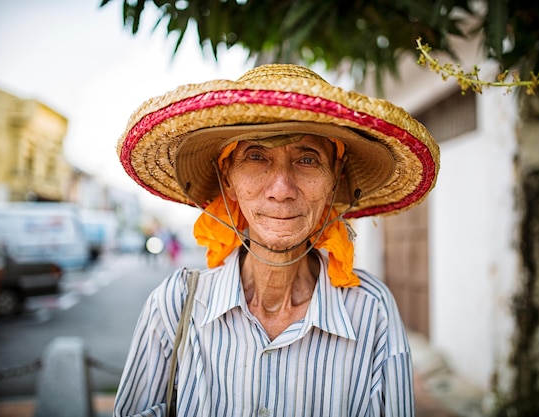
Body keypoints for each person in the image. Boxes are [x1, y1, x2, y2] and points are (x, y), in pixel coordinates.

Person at [113, 64, 440, 417]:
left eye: (307, 159)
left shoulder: (372, 312)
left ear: (335, 178)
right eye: (256, 157)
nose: (282, 189)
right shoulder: (175, 306)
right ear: (228, 177)